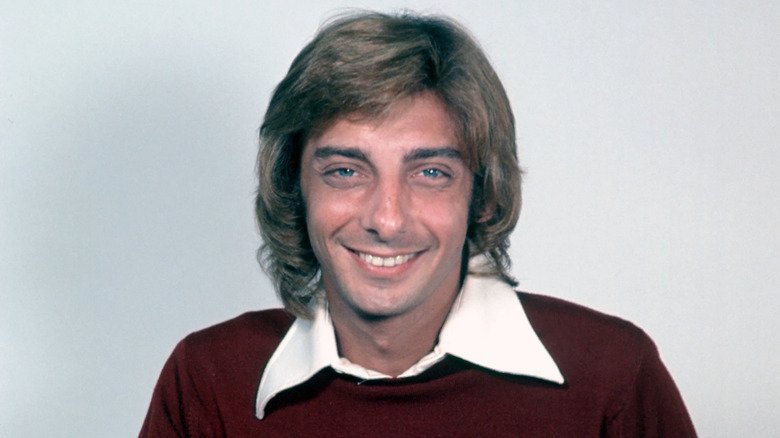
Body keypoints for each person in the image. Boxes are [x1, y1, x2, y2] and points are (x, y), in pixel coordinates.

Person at [140, 11, 696, 437]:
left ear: (482, 193)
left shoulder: (611, 379)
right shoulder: (210, 381)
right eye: (345, 171)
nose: (387, 218)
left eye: (430, 172)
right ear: (294, 187)